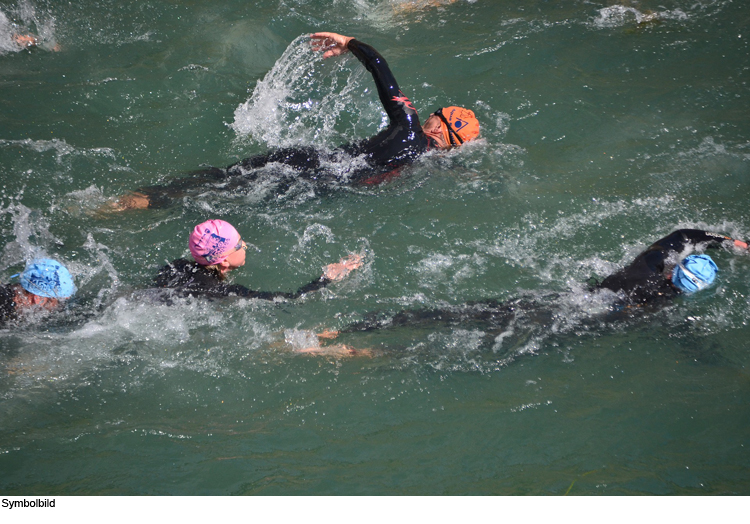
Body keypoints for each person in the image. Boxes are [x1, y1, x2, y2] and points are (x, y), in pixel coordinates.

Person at [111, 31, 480, 210]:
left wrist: (350, 42)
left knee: (222, 179)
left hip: (307, 161)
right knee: (231, 196)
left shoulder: (410, 127)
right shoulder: (427, 163)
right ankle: (150, 203)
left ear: (435, 124)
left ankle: (137, 199)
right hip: (324, 188)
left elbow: (382, 71)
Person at [299, 229, 750, 356]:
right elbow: (681, 337)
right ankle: (363, 352)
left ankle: (345, 329)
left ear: (677, 266)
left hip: (560, 300)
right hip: (578, 322)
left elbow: (684, 232)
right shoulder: (659, 306)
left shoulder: (651, 263)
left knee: (462, 313)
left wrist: (725, 241)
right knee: (477, 349)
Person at [154, 219, 362, 300]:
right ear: (224, 261)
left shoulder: (176, 266)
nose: (245, 245)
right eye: (239, 243)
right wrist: (326, 279)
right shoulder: (220, 291)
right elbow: (290, 299)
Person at [0, 258, 77, 327]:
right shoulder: (3, 307)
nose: (57, 308)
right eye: (58, 302)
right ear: (38, 298)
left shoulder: (6, 298)